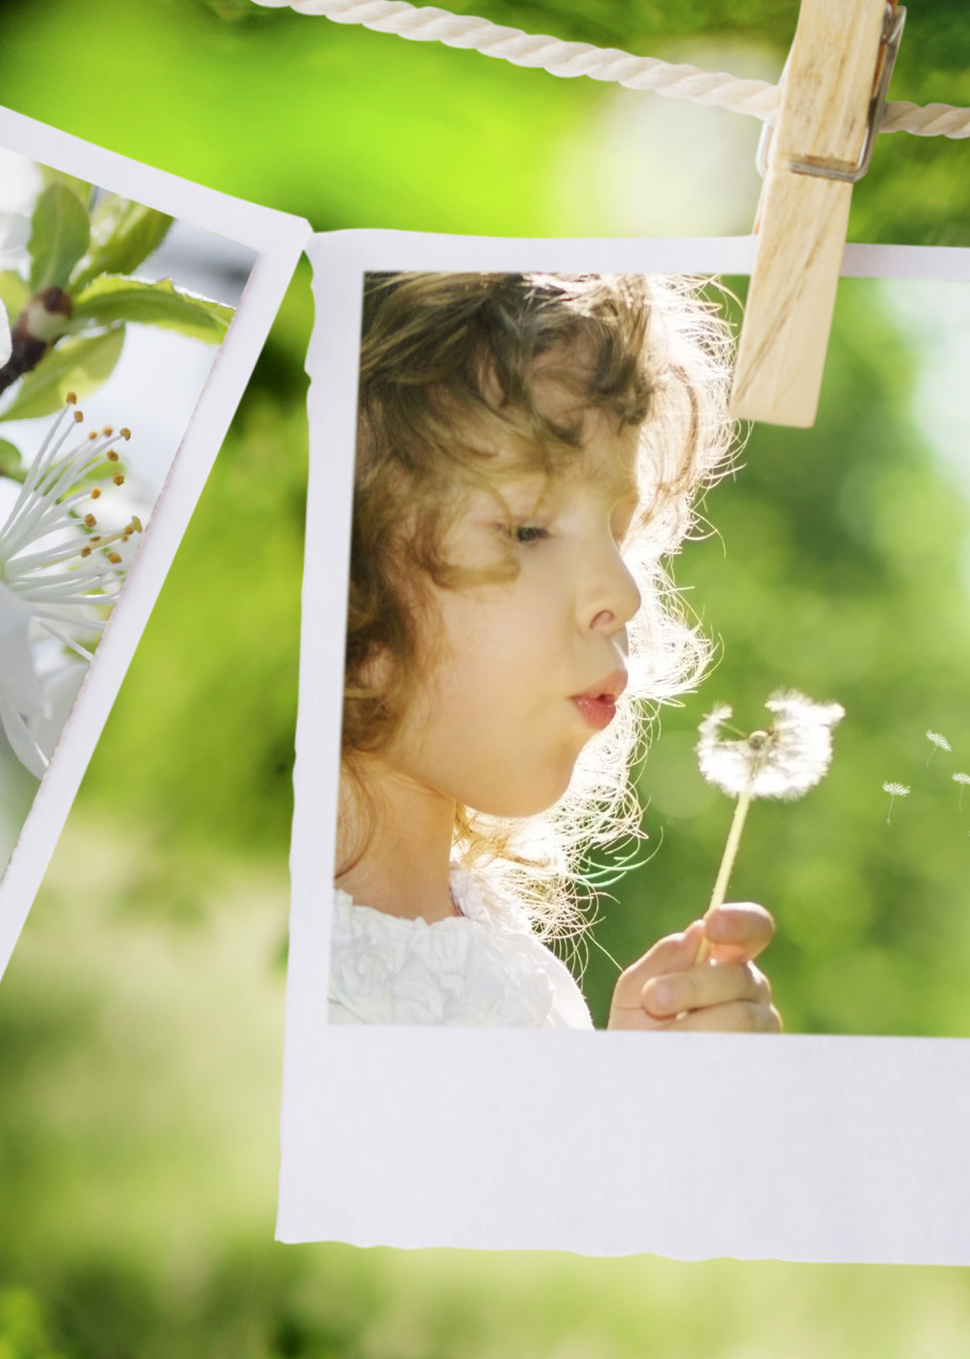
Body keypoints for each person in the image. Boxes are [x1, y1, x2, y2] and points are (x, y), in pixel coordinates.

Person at [330, 270, 781, 1032]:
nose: (625, 592)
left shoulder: (519, 974)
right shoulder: (243, 970)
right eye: (529, 529)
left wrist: (631, 1095)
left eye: (619, 530)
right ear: (343, 578)